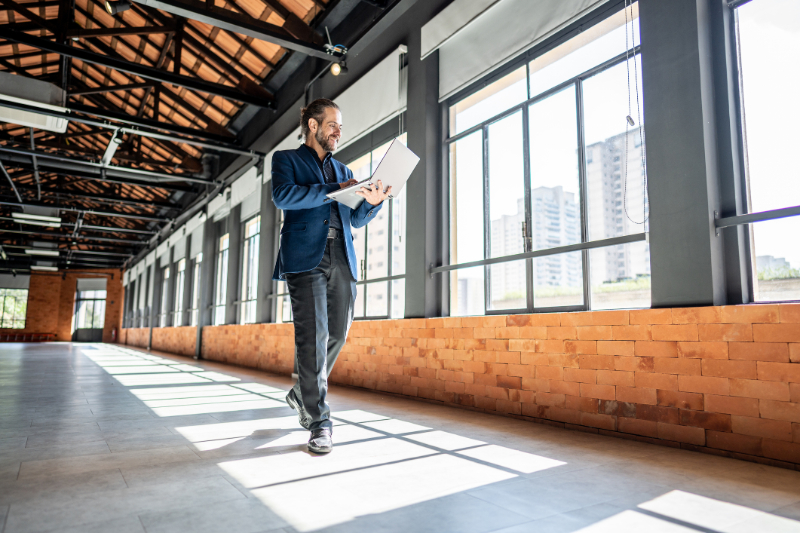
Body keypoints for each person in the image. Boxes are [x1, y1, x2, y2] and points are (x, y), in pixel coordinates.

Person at [271, 98, 392, 454]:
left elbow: (353, 219)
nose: (339, 131)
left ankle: (300, 394)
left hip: (342, 257)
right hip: (304, 259)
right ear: (312, 125)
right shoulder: (287, 160)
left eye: (340, 125)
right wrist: (333, 192)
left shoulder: (344, 170)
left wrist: (373, 200)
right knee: (314, 338)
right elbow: (283, 196)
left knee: (337, 333)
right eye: (332, 124)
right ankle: (319, 422)